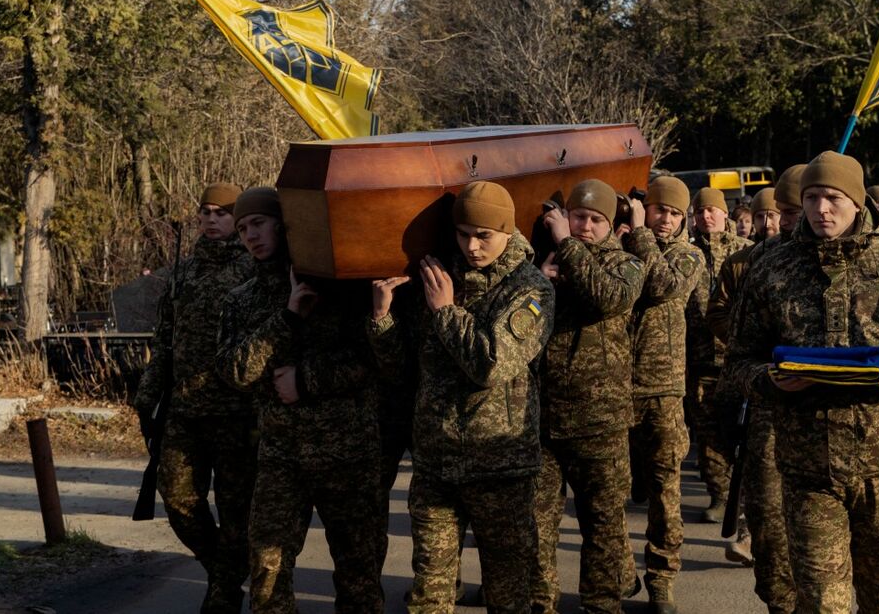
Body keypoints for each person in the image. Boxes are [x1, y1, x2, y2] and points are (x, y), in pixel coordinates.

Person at [726, 151, 879, 614]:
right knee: (821, 604)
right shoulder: (771, 269)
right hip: (807, 468)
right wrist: (771, 381)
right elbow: (739, 358)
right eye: (813, 197)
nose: (821, 209)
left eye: (833, 198)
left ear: (858, 203)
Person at [369, 181, 555, 613]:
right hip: (436, 462)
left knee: (509, 592)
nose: (471, 246)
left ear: (507, 232)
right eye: (463, 233)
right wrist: (381, 319)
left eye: (483, 235)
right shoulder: (438, 275)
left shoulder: (530, 289)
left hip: (500, 466)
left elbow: (491, 365)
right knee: (429, 593)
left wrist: (447, 311)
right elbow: (401, 368)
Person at [216, 187, 385, 613]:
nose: (250, 236)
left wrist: (305, 381)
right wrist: (288, 317)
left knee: (359, 574)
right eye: (241, 229)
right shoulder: (241, 300)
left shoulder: (341, 287)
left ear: (282, 223)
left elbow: (374, 360)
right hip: (282, 457)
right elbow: (236, 371)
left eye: (258, 224)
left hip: (348, 453)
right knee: (267, 569)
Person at [134, 182, 256, 614]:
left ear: (237, 219)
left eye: (221, 213)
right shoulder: (184, 271)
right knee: (178, 497)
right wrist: (148, 391)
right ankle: (225, 571)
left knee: (236, 509)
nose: (211, 219)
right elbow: (165, 335)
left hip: (237, 413)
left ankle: (223, 592)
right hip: (185, 409)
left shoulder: (253, 269)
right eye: (205, 212)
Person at [531, 179, 645, 614]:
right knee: (538, 525)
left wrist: (563, 241)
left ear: (611, 224)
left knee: (602, 526)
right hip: (544, 418)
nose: (585, 226)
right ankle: (541, 602)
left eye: (596, 220)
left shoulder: (626, 266)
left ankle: (601, 605)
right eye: (578, 217)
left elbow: (606, 298)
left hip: (600, 421)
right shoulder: (546, 264)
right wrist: (541, 282)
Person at [707, 169, 804, 614]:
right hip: (766, 403)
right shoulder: (756, 263)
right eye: (781, 214)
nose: (778, 222)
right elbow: (730, 323)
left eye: (787, 213)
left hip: (828, 420)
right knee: (767, 519)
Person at [620, 176, 705, 612]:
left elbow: (663, 286)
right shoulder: (622, 246)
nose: (665, 220)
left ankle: (661, 579)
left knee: (664, 491)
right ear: (644, 207)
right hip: (615, 387)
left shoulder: (689, 256)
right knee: (609, 490)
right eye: (658, 210)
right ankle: (617, 569)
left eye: (674, 213)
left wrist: (640, 236)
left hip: (664, 391)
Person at [685, 187, 752, 523]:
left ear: (725, 214)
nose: (706, 216)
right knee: (709, 435)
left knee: (743, 434)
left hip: (737, 361)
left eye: (712, 210)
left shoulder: (746, 253)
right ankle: (719, 495)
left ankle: (744, 498)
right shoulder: (687, 254)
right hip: (699, 361)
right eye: (700, 211)